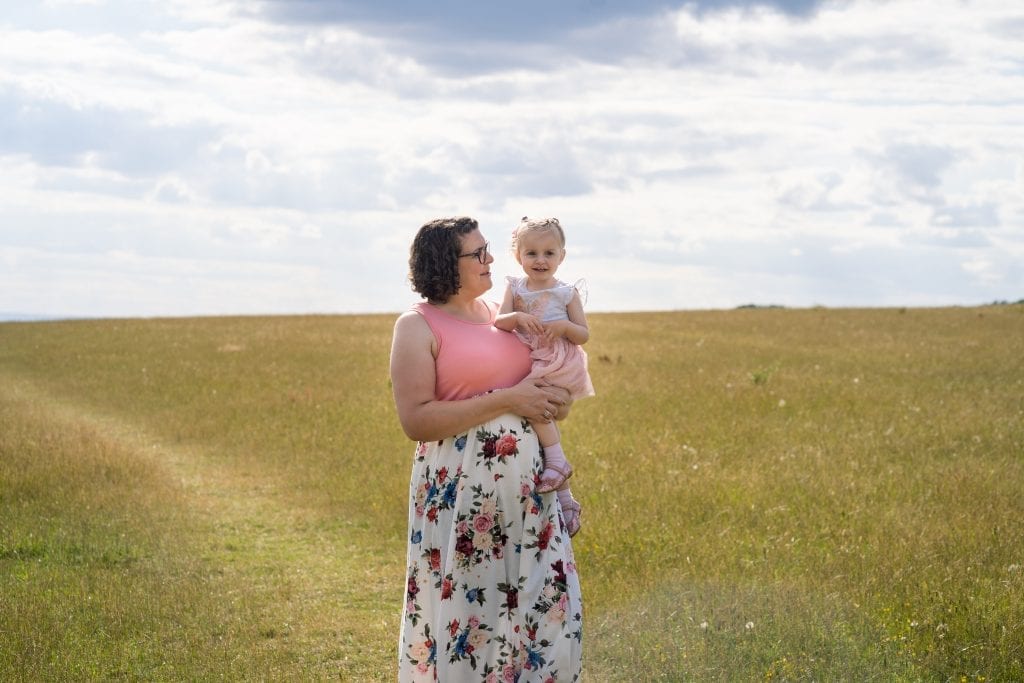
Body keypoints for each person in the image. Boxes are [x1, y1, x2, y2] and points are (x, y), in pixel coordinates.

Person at [390, 216, 583, 682]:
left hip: (530, 493)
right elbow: (416, 420)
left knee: (550, 612)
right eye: (477, 253)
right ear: (444, 264)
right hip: (462, 497)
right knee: (475, 618)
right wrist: (510, 400)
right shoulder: (416, 325)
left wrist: (553, 402)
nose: (491, 259)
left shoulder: (503, 313)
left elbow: (541, 382)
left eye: (488, 248)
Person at [494, 217, 594, 538]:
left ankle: (557, 460)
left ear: (561, 256)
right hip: (529, 354)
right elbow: (500, 322)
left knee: (536, 408)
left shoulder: (566, 293)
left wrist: (564, 327)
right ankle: (565, 499)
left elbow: (583, 334)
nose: (540, 260)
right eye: (532, 253)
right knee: (532, 420)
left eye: (549, 253)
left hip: (556, 359)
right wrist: (518, 316)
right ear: (518, 255)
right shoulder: (515, 286)